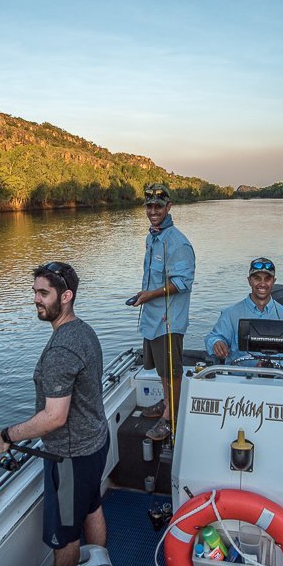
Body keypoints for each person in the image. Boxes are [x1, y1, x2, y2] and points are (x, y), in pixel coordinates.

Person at [0, 261, 110, 566]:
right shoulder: (84, 330)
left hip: (69, 457)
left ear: (66, 296)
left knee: (66, 538)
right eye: (34, 292)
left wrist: (7, 436)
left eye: (43, 293)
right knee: (92, 505)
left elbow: (55, 417)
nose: (36, 299)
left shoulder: (61, 350)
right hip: (96, 442)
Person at [129, 182, 195, 442]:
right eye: (149, 206)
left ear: (169, 206)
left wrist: (149, 295)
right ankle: (167, 403)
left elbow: (182, 283)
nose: (153, 210)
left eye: (158, 205)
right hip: (152, 318)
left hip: (169, 322)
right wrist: (144, 296)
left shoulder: (178, 243)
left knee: (172, 372)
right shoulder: (151, 237)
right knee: (160, 369)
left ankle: (172, 419)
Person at [205, 257, 283, 372]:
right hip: (238, 380)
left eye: (267, 279)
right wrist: (216, 343)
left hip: (278, 379)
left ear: (273, 281)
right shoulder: (230, 314)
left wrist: (275, 365)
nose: (262, 284)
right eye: (257, 278)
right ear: (249, 281)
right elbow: (212, 337)